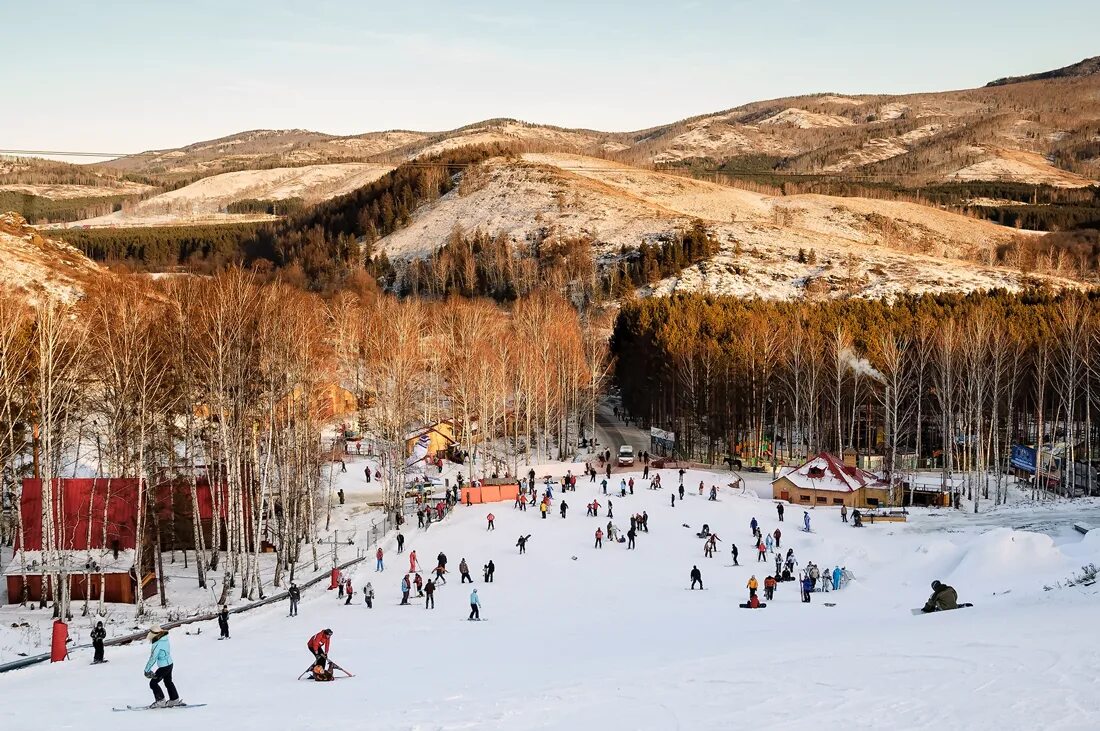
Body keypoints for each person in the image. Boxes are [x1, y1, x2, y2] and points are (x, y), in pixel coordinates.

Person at [144, 626, 181, 708]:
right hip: (170, 664)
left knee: (153, 683)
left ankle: (160, 701)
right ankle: (174, 699)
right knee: (168, 682)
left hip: (164, 667)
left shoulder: (157, 643)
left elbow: (153, 658)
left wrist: (147, 670)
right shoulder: (165, 638)